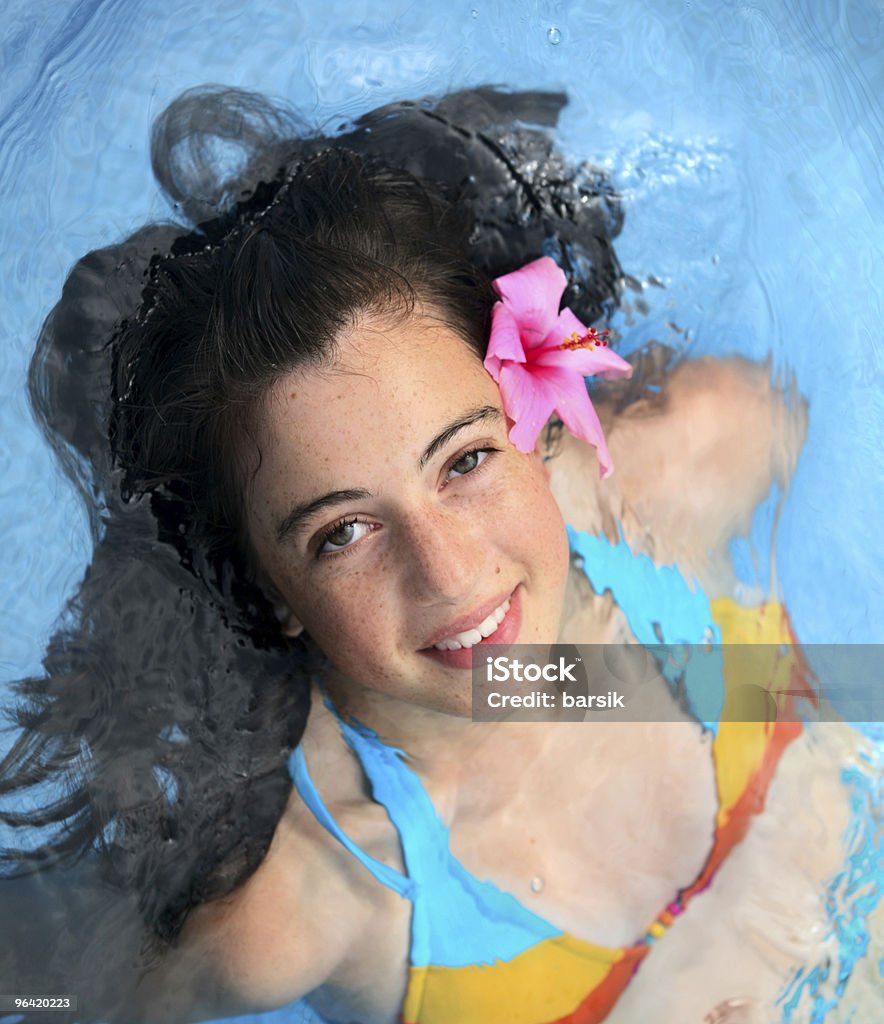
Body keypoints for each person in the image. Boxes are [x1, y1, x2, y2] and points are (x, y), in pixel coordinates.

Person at [0, 85, 864, 1024]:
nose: (452, 574)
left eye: (465, 459)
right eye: (343, 533)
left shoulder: (701, 455)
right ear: (267, 588)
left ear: (527, 419)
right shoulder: (314, 901)